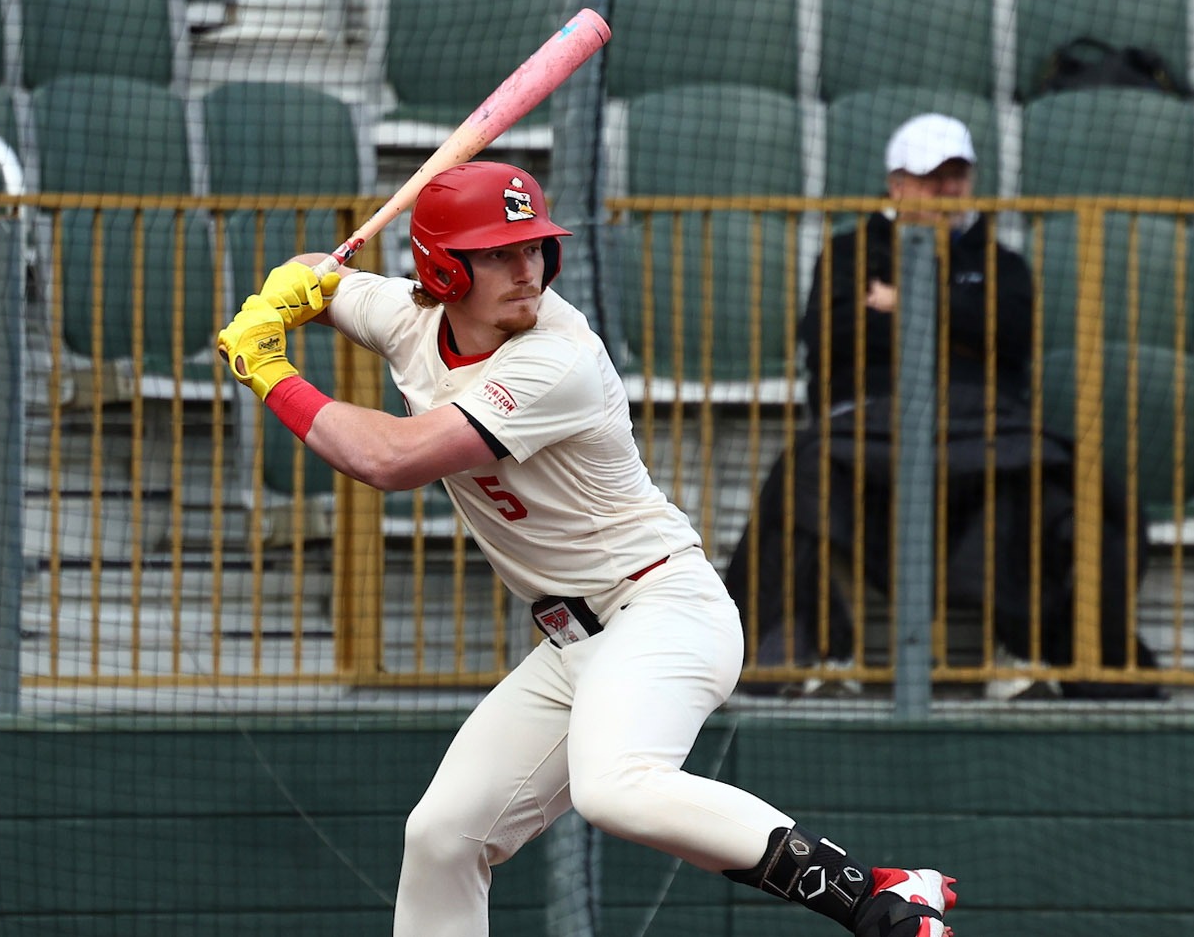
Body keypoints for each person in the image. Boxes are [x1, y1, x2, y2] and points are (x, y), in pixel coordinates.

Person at [215, 161, 958, 936]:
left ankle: (876, 895)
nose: (527, 268)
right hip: (574, 643)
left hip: (662, 609)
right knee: (441, 837)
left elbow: (389, 460)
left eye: (535, 246)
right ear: (441, 268)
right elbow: (314, 276)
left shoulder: (556, 356)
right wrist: (296, 286)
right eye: (499, 252)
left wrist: (268, 367)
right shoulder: (406, 317)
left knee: (614, 788)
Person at [724, 113, 1163, 700]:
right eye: (932, 178)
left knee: (1061, 491)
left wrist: (903, 301)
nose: (946, 191)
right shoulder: (850, 251)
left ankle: (1037, 647)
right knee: (803, 477)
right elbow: (833, 336)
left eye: (956, 176)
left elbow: (1008, 332)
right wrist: (950, 314)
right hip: (872, 424)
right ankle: (808, 648)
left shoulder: (1002, 263)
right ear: (898, 183)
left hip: (984, 426)